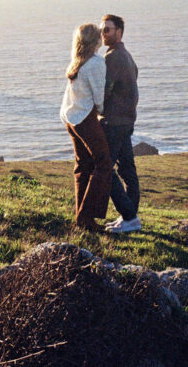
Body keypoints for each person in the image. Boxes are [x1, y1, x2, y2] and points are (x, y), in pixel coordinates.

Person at [59, 23, 113, 232]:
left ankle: (83, 217)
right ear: (97, 40)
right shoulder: (96, 62)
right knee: (103, 164)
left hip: (70, 118)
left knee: (83, 166)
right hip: (84, 118)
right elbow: (99, 96)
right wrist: (102, 112)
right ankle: (86, 217)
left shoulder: (77, 61)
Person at [99, 14, 141, 234]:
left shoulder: (113, 57)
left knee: (104, 168)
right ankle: (129, 219)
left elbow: (104, 91)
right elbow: (135, 75)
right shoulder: (125, 55)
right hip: (127, 120)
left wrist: (96, 108)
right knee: (127, 169)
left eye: (107, 29)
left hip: (114, 122)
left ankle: (130, 216)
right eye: (101, 29)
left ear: (119, 32)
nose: (103, 33)